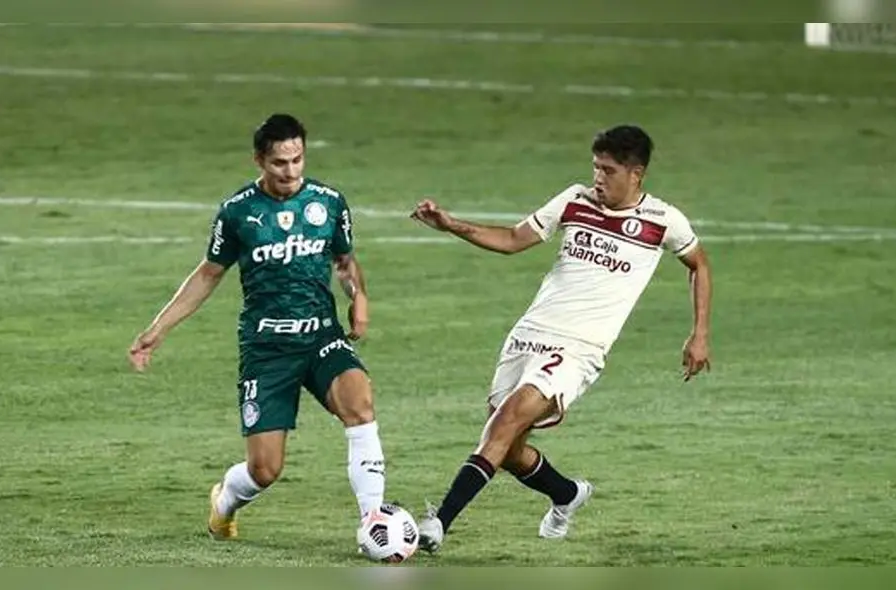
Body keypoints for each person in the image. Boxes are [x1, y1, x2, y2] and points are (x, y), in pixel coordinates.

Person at [408, 124, 712, 553]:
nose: (598, 178)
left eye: (607, 170)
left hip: (578, 350)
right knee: (508, 449)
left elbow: (699, 265)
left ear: (636, 174)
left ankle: (438, 523)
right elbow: (514, 239)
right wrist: (450, 224)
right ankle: (567, 494)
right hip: (528, 334)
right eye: (595, 168)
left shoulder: (662, 221)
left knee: (504, 423)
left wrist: (699, 334)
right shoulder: (573, 200)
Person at [127, 113, 386, 541]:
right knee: (266, 469)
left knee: (360, 404)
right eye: (280, 163)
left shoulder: (329, 202)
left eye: (297, 160)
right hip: (267, 349)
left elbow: (343, 260)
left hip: (321, 335)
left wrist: (358, 295)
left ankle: (374, 521)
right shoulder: (237, 212)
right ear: (259, 161)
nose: (291, 172)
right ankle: (224, 503)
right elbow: (208, 274)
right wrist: (158, 329)